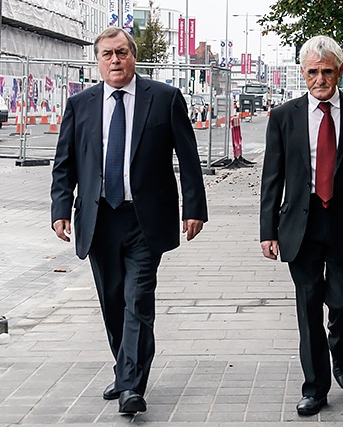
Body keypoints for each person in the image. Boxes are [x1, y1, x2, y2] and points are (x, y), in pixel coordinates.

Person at [50, 27, 208, 415]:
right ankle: (125, 372)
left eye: (121, 52)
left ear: (133, 56)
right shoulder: (80, 104)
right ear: (98, 61)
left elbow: (188, 159)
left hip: (145, 218)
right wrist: (59, 209)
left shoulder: (165, 99)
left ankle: (132, 386)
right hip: (99, 217)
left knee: (138, 300)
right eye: (107, 54)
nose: (115, 60)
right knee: (113, 303)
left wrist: (194, 208)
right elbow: (65, 164)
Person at [259, 35, 343, 416]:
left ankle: (340, 339)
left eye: (327, 71)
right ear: (303, 73)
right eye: (313, 72)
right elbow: (273, 177)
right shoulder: (284, 116)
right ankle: (315, 387)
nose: (320, 79)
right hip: (300, 226)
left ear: (340, 71)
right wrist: (267, 231)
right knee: (307, 308)